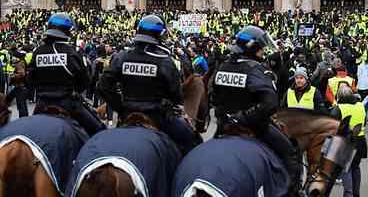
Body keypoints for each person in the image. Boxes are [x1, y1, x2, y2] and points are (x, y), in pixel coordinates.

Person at [211, 26, 301, 194]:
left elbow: (214, 98)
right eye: (261, 48)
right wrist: (243, 117)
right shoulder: (256, 69)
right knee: (291, 152)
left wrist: (228, 115)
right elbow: (269, 104)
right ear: (252, 47)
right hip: (253, 127)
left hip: (224, 126)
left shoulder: (223, 66)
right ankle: (292, 191)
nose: (263, 52)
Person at [97, 14, 202, 155]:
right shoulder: (165, 61)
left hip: (127, 114)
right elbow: (176, 96)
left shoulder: (121, 57)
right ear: (160, 36)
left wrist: (120, 107)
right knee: (192, 140)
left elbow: (103, 86)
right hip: (158, 118)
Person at [28, 13, 106, 136]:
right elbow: (85, 81)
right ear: (68, 32)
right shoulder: (72, 53)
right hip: (67, 102)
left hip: (42, 103)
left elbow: (31, 79)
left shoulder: (37, 52)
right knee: (99, 131)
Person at [330, 85, 367, 197]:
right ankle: (356, 194)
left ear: (339, 96)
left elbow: (332, 127)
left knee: (346, 170)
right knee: (356, 167)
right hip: (360, 141)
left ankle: (349, 194)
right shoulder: (360, 106)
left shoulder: (338, 108)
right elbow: (364, 122)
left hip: (345, 142)